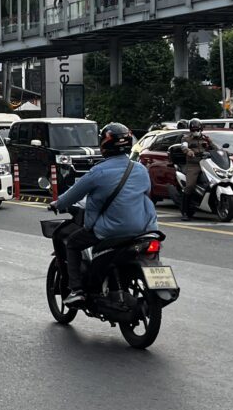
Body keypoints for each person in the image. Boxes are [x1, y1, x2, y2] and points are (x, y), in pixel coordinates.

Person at [49, 123, 157, 307]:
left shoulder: (98, 172)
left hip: (111, 231)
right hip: (144, 229)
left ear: (104, 144)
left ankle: (77, 290)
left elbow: (73, 195)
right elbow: (145, 193)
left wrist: (57, 204)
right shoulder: (140, 169)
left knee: (74, 243)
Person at [180, 118, 218, 221]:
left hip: (207, 164)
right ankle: (185, 212)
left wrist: (218, 149)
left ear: (201, 129)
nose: (195, 131)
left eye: (197, 129)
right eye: (193, 129)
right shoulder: (186, 138)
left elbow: (215, 149)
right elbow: (183, 147)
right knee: (190, 186)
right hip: (194, 165)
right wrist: (188, 151)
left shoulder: (206, 138)